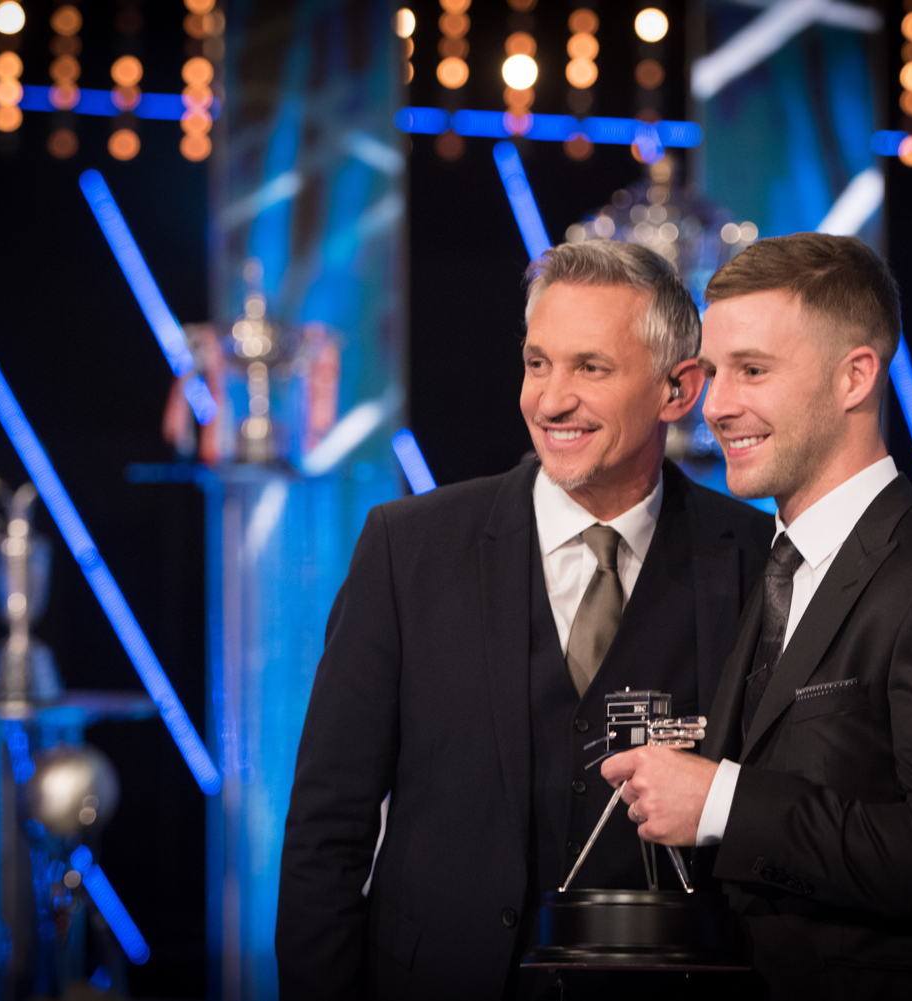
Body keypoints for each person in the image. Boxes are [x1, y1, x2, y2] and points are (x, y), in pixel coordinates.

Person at [276, 241, 775, 999]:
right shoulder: (407, 548)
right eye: (537, 364)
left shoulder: (756, 560)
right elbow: (327, 825)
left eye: (590, 368)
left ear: (679, 389)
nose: (550, 400)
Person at [601, 233, 912, 997]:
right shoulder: (766, 570)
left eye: (752, 370)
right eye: (713, 371)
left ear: (856, 376)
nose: (718, 405)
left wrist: (723, 800)